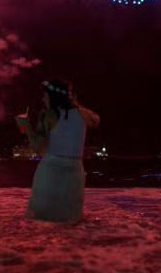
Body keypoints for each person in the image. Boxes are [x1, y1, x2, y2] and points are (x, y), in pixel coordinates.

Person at [16, 79, 100, 222]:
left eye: (45, 95)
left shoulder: (47, 115)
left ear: (51, 96)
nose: (43, 99)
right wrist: (73, 104)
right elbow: (97, 120)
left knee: (41, 219)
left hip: (51, 170)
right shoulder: (84, 114)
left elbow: (38, 148)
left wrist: (26, 127)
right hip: (75, 171)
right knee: (70, 220)